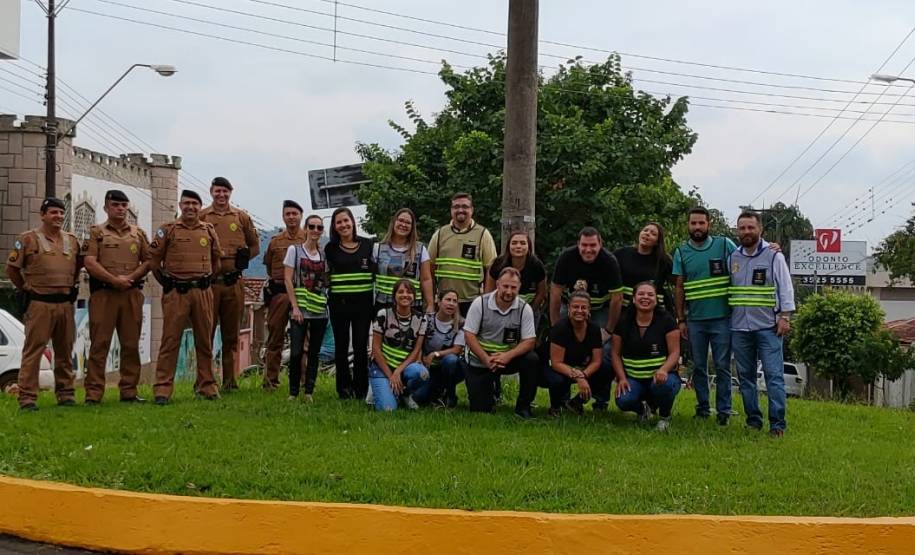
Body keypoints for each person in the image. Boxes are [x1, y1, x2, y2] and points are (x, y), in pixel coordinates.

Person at [5, 198, 81, 411]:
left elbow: (77, 268)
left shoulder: (72, 240)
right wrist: (25, 288)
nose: (58, 217)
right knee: (34, 351)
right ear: (43, 215)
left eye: (61, 213)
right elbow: (12, 269)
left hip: (65, 303)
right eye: (53, 212)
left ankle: (66, 394)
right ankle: (27, 397)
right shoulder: (28, 239)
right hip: (39, 303)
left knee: (65, 350)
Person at [150, 190, 222, 405]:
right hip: (176, 293)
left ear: (200, 207)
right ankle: (162, 389)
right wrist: (167, 282)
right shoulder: (168, 230)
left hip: (202, 292)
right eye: (187, 203)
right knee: (170, 341)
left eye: (195, 204)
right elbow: (154, 260)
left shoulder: (208, 230)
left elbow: (216, 259)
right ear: (180, 206)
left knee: (204, 340)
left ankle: (206, 385)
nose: (191, 207)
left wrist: (207, 279)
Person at [728, 211, 795, 437]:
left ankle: (777, 425)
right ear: (737, 231)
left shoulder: (773, 256)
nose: (746, 232)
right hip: (739, 327)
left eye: (750, 228)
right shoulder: (733, 257)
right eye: (742, 228)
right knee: (745, 377)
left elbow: (785, 287)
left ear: (760, 230)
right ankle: (753, 420)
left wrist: (785, 316)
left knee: (773, 376)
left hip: (768, 326)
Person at [82, 189, 151, 404]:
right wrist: (114, 280)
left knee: (130, 344)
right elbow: (90, 261)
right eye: (115, 205)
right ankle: (94, 393)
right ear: (106, 207)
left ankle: (129, 391)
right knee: (99, 344)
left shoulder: (138, 234)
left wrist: (129, 278)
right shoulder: (96, 232)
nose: (120, 209)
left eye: (123, 205)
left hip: (131, 294)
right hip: (104, 294)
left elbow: (149, 261)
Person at [672, 206, 736, 424]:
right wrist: (681, 319)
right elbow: (679, 288)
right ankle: (702, 408)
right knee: (699, 366)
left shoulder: (724, 245)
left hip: (722, 319)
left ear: (709, 224)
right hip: (695, 321)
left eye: (701, 223)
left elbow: (744, 262)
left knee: (722, 366)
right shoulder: (681, 252)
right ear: (688, 225)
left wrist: (769, 247)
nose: (697, 227)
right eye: (693, 223)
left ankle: (724, 412)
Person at [199, 176, 260, 392]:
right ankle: (204, 382)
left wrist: (242, 261)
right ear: (211, 192)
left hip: (233, 283)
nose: (221, 195)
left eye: (225, 191)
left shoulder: (241, 217)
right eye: (218, 191)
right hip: (209, 284)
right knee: (205, 333)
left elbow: (255, 246)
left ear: (230, 193)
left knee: (231, 335)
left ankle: (229, 381)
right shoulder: (202, 216)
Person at [463, 267, 539, 418]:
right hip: (481, 359)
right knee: (481, 410)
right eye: (505, 286)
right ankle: (490, 393)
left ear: (519, 287)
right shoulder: (480, 303)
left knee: (532, 360)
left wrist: (508, 356)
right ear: (497, 284)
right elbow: (469, 335)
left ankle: (523, 407)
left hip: (508, 358)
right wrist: (486, 359)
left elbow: (529, 341)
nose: (509, 291)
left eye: (513, 287)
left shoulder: (525, 308)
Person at [612, 282, 682, 432]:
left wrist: (664, 370)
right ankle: (643, 410)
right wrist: (622, 378)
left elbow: (675, 352)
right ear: (633, 298)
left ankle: (665, 417)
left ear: (656, 299)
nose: (645, 297)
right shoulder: (623, 321)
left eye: (650, 295)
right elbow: (615, 354)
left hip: (661, 377)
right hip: (634, 378)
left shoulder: (666, 320)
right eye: (641, 294)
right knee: (623, 400)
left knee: (665, 386)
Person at [325, 207, 375, 400]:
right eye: (339, 222)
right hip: (339, 303)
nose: (343, 225)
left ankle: (361, 388)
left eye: (346, 221)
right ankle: (344, 389)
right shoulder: (330, 248)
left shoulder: (368, 245)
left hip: (363, 303)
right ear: (335, 227)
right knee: (341, 345)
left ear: (353, 222)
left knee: (361, 344)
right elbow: (326, 274)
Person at [284, 213, 329, 402]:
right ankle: (293, 391)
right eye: (312, 227)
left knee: (314, 353)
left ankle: (309, 390)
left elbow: (327, 281)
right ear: (306, 228)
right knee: (295, 352)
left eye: (319, 228)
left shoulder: (324, 255)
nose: (315, 231)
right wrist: (294, 306)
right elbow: (287, 278)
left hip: (319, 310)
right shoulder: (294, 251)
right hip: (300, 310)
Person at [428, 192, 497, 316]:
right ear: (451, 210)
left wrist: (486, 303)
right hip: (444, 301)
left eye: (465, 207)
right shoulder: (440, 234)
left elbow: (491, 270)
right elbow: (429, 270)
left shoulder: (483, 234)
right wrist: (431, 302)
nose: (460, 210)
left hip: (472, 302)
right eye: (456, 207)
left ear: (472, 210)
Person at [262, 200, 306, 390]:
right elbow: (269, 267)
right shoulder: (275, 242)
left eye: (294, 213)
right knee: (275, 338)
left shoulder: (309, 238)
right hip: (279, 294)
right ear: (283, 216)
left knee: (304, 340)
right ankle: (270, 381)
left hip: (302, 294)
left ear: (300, 216)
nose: (291, 217)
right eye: (287, 214)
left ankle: (304, 382)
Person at [544, 291, 611, 416]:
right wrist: (578, 377)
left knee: (607, 368)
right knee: (557, 379)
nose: (579, 310)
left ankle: (577, 402)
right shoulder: (559, 328)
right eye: (575, 307)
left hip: (581, 368)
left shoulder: (595, 329)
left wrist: (583, 374)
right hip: (557, 368)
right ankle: (556, 407)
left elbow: (597, 361)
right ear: (569, 308)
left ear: (589, 310)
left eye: (583, 307)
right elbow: (556, 363)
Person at [369, 279, 431, 411]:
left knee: (422, 374)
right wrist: (391, 375)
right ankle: (377, 388)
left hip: (404, 368)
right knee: (388, 409)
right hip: (382, 367)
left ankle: (405, 393)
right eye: (400, 292)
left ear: (414, 296)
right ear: (394, 296)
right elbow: (376, 349)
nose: (405, 295)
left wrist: (398, 371)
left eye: (409, 292)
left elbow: (416, 350)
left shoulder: (421, 319)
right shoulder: (383, 314)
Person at [550, 227, 623, 334]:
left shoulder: (609, 261)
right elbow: (555, 292)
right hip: (570, 306)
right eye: (584, 245)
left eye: (593, 245)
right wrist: (555, 326)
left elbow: (617, 298)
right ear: (578, 244)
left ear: (600, 244)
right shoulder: (566, 257)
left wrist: (609, 330)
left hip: (599, 309)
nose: (588, 250)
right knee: (561, 337)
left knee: (603, 342)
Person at [374, 208, 434, 313]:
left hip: (412, 306)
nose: (403, 224)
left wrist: (430, 304)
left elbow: (426, 279)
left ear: (412, 227)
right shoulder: (378, 248)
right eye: (401, 220)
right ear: (394, 222)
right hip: (384, 305)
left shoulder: (420, 250)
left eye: (408, 223)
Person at [421, 289, 467, 408]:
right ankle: (436, 392)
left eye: (454, 301)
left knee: (451, 359)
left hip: (450, 367)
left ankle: (450, 395)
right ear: (439, 301)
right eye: (448, 300)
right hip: (427, 366)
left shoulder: (461, 323)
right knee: (422, 398)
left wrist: (435, 354)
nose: (451, 303)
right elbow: (418, 342)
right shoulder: (427, 319)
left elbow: (457, 350)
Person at [614, 222, 673, 313]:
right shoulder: (621, 254)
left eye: (653, 234)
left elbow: (677, 283)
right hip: (624, 311)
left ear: (657, 242)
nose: (647, 234)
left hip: (652, 313)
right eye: (645, 230)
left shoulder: (664, 261)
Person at [484, 230, 546, 313]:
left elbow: (541, 293)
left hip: (529, 309)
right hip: (499, 309)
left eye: (523, 243)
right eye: (514, 243)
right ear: (508, 246)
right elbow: (489, 291)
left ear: (529, 246)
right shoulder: (498, 264)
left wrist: (530, 311)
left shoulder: (537, 266)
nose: (518, 246)